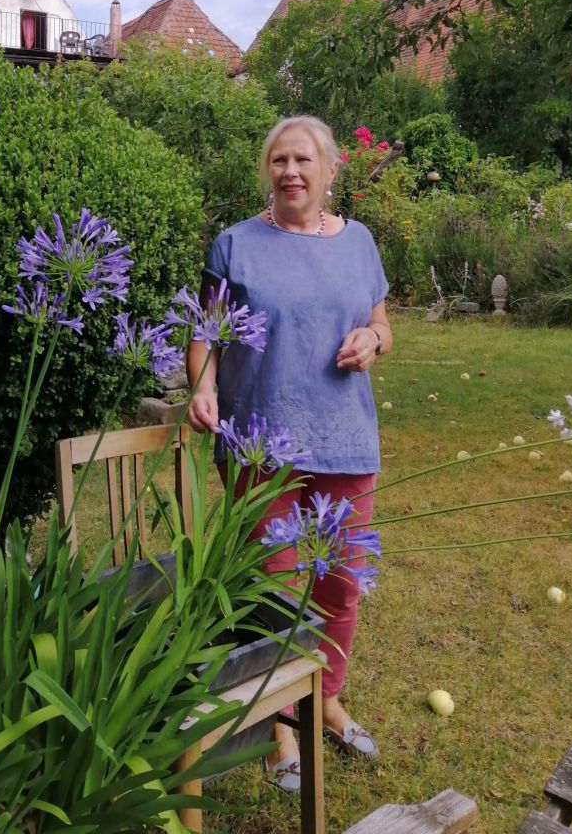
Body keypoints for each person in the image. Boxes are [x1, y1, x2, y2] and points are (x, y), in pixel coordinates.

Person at [187, 115, 392, 790]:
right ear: (266, 170)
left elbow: (381, 319)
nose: (291, 172)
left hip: (345, 439)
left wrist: (373, 340)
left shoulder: (359, 243)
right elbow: (205, 335)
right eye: (279, 160)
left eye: (304, 159)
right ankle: (281, 728)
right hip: (259, 444)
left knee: (339, 582)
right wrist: (204, 387)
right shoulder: (235, 245)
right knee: (271, 588)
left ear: (331, 171)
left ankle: (326, 699)